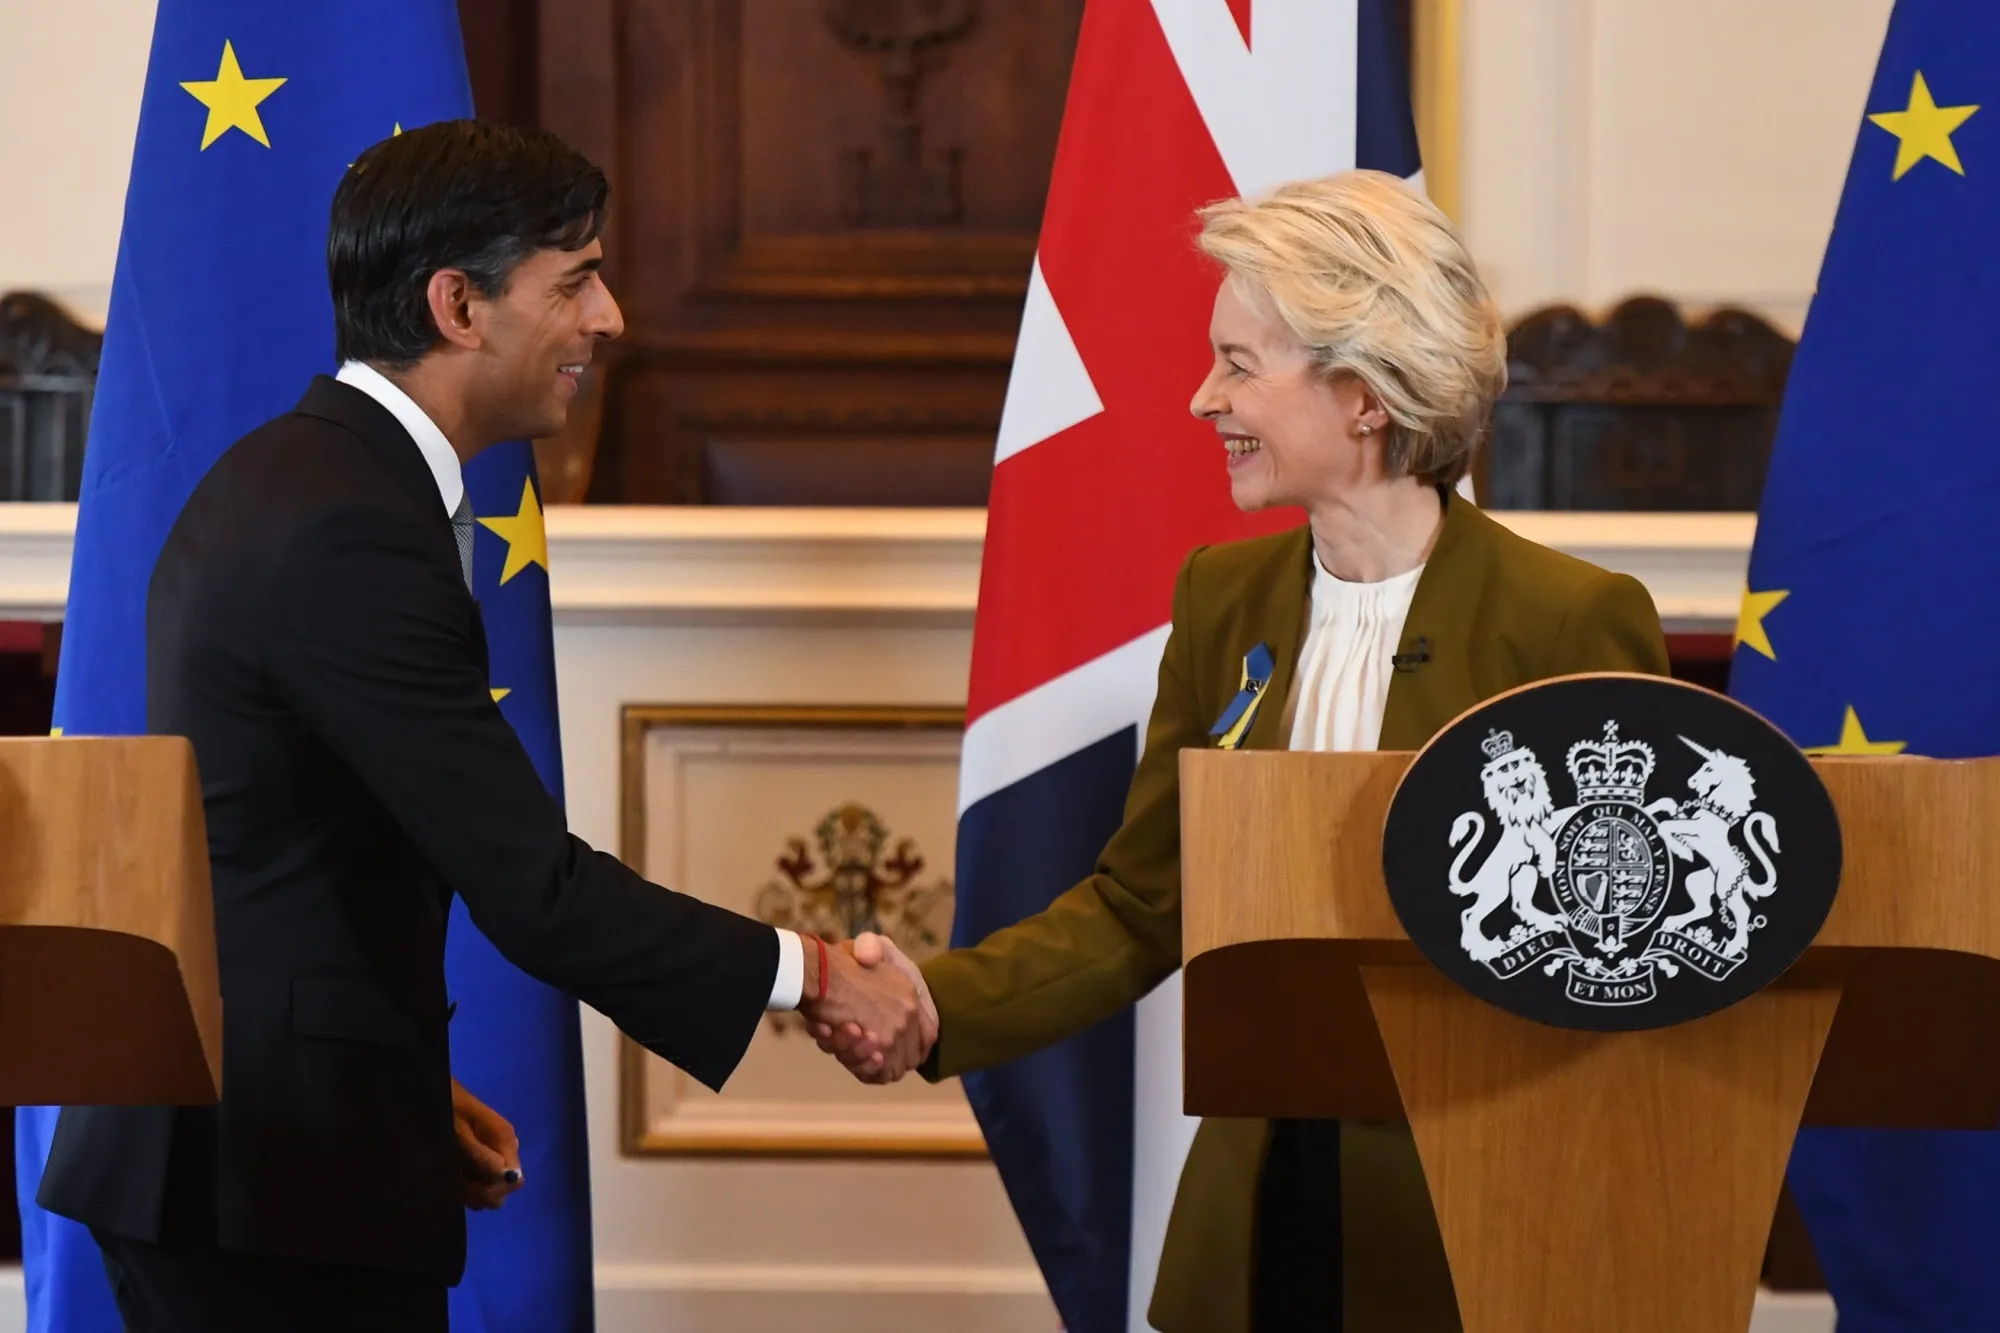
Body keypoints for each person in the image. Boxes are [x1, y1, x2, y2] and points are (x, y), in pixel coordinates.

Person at [36, 121, 926, 1333]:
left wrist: (390, 1087)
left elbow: (285, 857)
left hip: (271, 1151)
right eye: (574, 281)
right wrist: (810, 972)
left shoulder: (301, 479)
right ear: (458, 304)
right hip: (263, 1188)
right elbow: (534, 887)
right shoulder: (346, 522)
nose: (609, 319)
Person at [818, 170, 1670, 1332]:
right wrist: (933, 1003)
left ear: (1362, 394)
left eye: (1236, 363)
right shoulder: (1224, 600)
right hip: (1263, 1210)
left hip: (1476, 1220)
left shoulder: (1567, 618)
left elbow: (1622, 951)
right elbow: (1140, 905)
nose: (1197, 398)